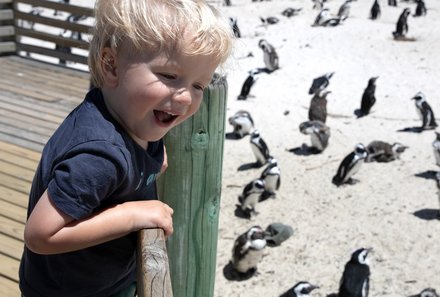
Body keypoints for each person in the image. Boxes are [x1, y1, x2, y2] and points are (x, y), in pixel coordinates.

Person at [19, 0, 233, 296]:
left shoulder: (124, 116)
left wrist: (152, 156)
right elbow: (40, 235)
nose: (185, 97)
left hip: (102, 279)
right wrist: (132, 215)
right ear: (111, 66)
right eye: (169, 76)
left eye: (199, 85)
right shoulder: (99, 157)